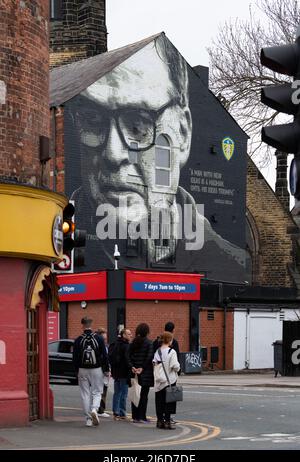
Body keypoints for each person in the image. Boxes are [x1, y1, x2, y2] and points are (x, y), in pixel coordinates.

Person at [68, 34, 247, 282]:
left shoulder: (230, 263)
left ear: (182, 133)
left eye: (138, 123)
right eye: (92, 120)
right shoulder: (55, 252)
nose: (113, 153)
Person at [73, 316, 109, 427]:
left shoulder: (78, 340)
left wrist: (76, 370)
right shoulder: (98, 338)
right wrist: (106, 369)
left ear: (82, 325)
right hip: (96, 369)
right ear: (91, 324)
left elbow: (75, 357)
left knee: (85, 394)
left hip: (82, 369)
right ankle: (94, 409)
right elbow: (104, 355)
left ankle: (88, 419)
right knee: (97, 392)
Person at [153, 331, 181, 430]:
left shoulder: (157, 351)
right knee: (169, 402)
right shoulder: (171, 352)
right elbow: (175, 366)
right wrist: (178, 369)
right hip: (170, 380)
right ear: (169, 340)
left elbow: (154, 364)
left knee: (159, 402)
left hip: (159, 381)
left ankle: (160, 421)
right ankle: (167, 422)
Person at [128, 323, 154, 423]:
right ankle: (142, 416)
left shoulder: (133, 343)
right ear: (147, 332)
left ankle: (135, 417)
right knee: (143, 395)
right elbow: (149, 356)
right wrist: (142, 368)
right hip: (145, 373)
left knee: (135, 393)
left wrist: (132, 367)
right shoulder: (149, 343)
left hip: (134, 373)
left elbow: (128, 356)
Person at [110, 328, 132, 420]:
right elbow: (127, 360)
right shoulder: (126, 346)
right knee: (123, 393)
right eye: (129, 334)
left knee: (117, 393)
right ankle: (122, 412)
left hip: (116, 372)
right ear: (123, 335)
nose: (131, 335)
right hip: (124, 373)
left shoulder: (114, 344)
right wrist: (131, 367)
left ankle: (115, 412)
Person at [96, 328, 110, 418]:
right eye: (104, 339)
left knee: (103, 391)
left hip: (104, 372)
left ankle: (99, 409)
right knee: (100, 391)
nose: (105, 341)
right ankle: (100, 410)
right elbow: (102, 359)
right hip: (100, 372)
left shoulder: (105, 347)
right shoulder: (99, 348)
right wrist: (106, 370)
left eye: (106, 339)